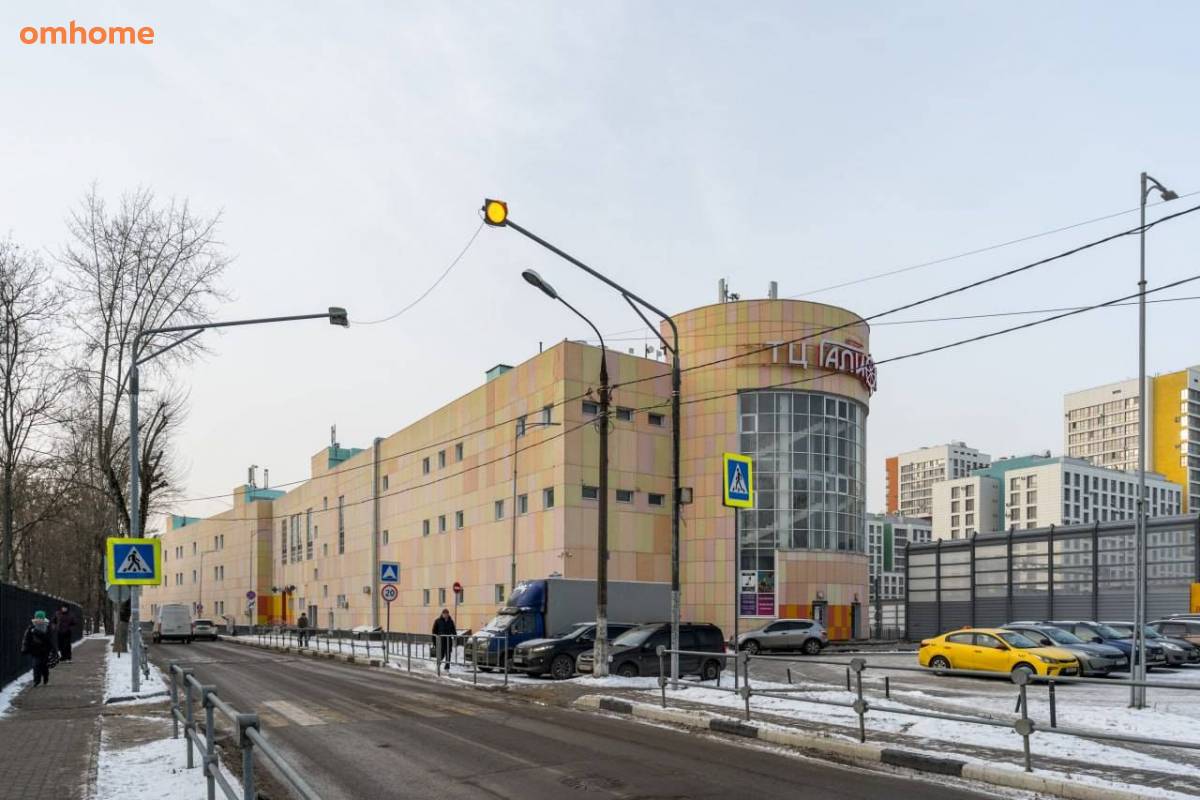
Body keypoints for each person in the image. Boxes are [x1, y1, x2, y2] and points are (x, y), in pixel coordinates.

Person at [21, 611, 57, 687]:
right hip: (35, 650)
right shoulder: (31, 627)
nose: (39, 619)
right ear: (35, 618)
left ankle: (45, 677)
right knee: (36, 665)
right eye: (37, 618)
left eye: (41, 618)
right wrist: (24, 648)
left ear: (43, 619)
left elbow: (49, 639)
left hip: (45, 650)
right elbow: (26, 639)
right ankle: (36, 681)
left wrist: (53, 649)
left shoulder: (47, 627)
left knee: (44, 666)